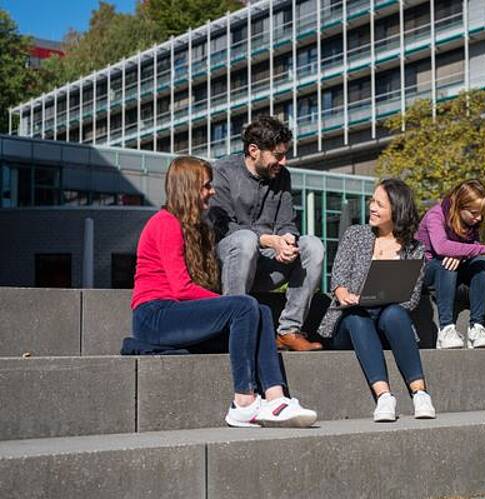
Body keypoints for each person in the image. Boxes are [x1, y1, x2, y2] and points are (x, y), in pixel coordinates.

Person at [129, 156, 317, 428]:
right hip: (154, 316)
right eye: (206, 186)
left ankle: (276, 398)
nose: (212, 191)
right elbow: (182, 289)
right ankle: (244, 401)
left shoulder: (196, 229)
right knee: (244, 306)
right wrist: (232, 304)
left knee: (261, 311)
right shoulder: (165, 223)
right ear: (189, 188)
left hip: (175, 314)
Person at [317, 179, 436, 422]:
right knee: (357, 317)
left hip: (387, 322)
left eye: (379, 204)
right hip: (350, 322)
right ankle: (384, 397)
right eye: (373, 201)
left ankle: (420, 394)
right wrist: (343, 294)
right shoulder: (355, 234)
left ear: (396, 210)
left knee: (394, 313)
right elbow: (338, 279)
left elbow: (411, 300)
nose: (372, 207)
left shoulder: (414, 249)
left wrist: (378, 298)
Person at [208, 116, 325, 352]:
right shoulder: (221, 171)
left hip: (266, 264)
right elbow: (222, 227)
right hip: (228, 263)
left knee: (313, 245)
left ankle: (289, 331)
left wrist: (288, 240)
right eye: (278, 155)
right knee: (245, 240)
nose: (284, 161)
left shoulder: (282, 176)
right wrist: (268, 240)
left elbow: (287, 223)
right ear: (254, 150)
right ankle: (235, 329)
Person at [415, 179, 485, 349]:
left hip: (456, 268)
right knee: (446, 263)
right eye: (474, 213)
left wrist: (460, 254)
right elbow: (441, 247)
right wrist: (481, 249)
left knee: (482, 264)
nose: (478, 218)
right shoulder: (436, 215)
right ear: (459, 205)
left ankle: (477, 328)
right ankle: (446, 329)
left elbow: (472, 247)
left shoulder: (471, 223)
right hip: (428, 269)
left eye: (482, 214)